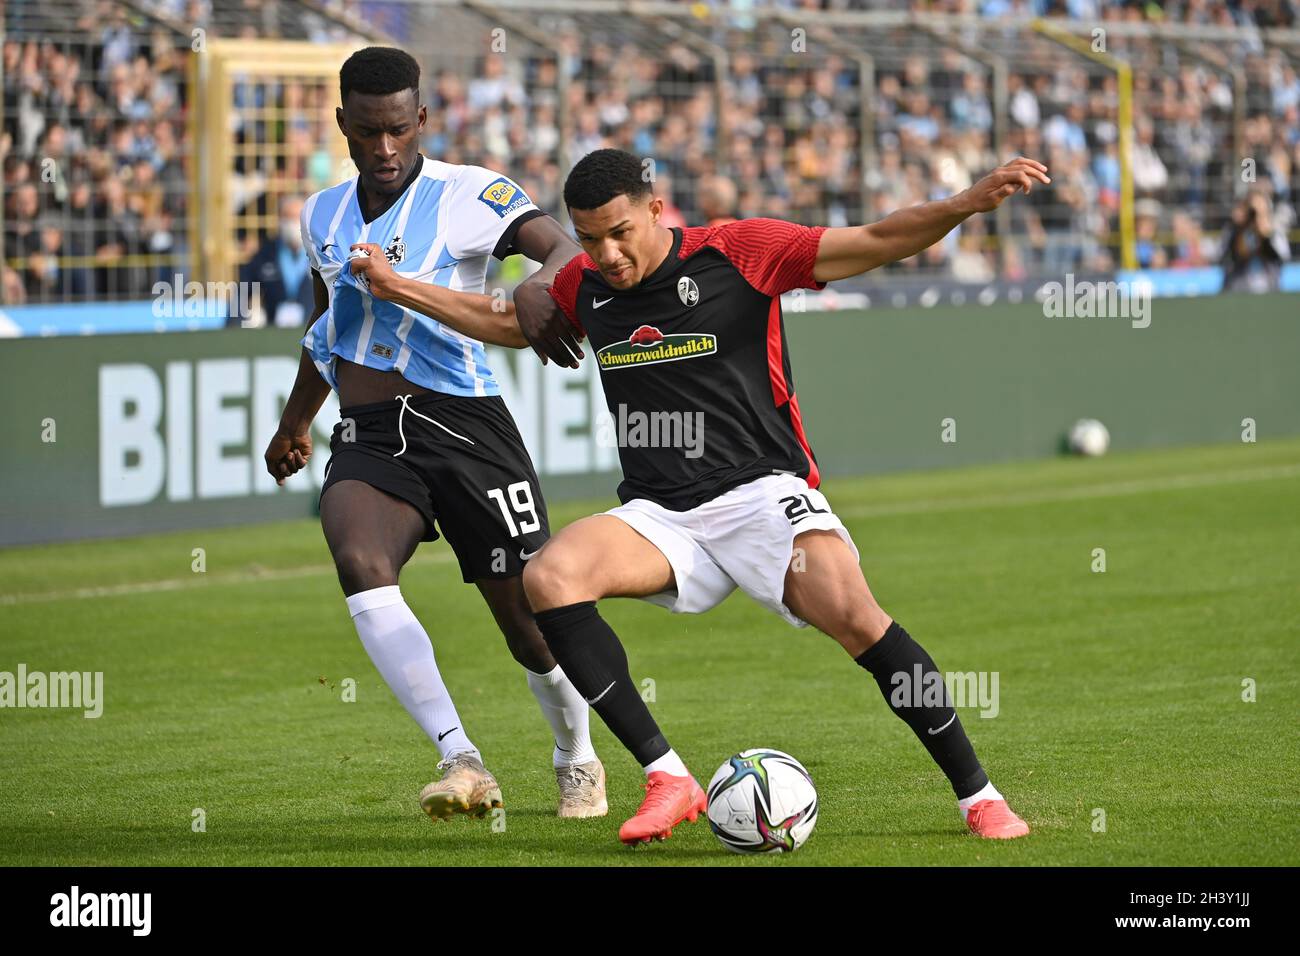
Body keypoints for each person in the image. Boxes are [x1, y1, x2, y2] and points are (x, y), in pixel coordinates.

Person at [522, 148, 1050, 845]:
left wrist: (965, 203)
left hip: (761, 495)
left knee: (859, 619)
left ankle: (978, 796)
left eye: (619, 231)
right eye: (589, 239)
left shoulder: (741, 250)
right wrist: (402, 287)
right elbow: (507, 318)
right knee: (548, 578)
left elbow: (876, 240)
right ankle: (668, 778)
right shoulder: (584, 285)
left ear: (656, 208)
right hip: (662, 514)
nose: (607, 253)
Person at [263, 47, 604, 823]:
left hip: (466, 425)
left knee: (530, 624)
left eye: (398, 131)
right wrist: (295, 421)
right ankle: (461, 758)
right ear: (343, 124)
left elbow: (559, 249)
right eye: (367, 133)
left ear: (420, 120)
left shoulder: (472, 193)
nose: (384, 150)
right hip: (371, 430)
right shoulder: (322, 213)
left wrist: (542, 289)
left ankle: (576, 759)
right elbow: (330, 326)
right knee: (358, 557)